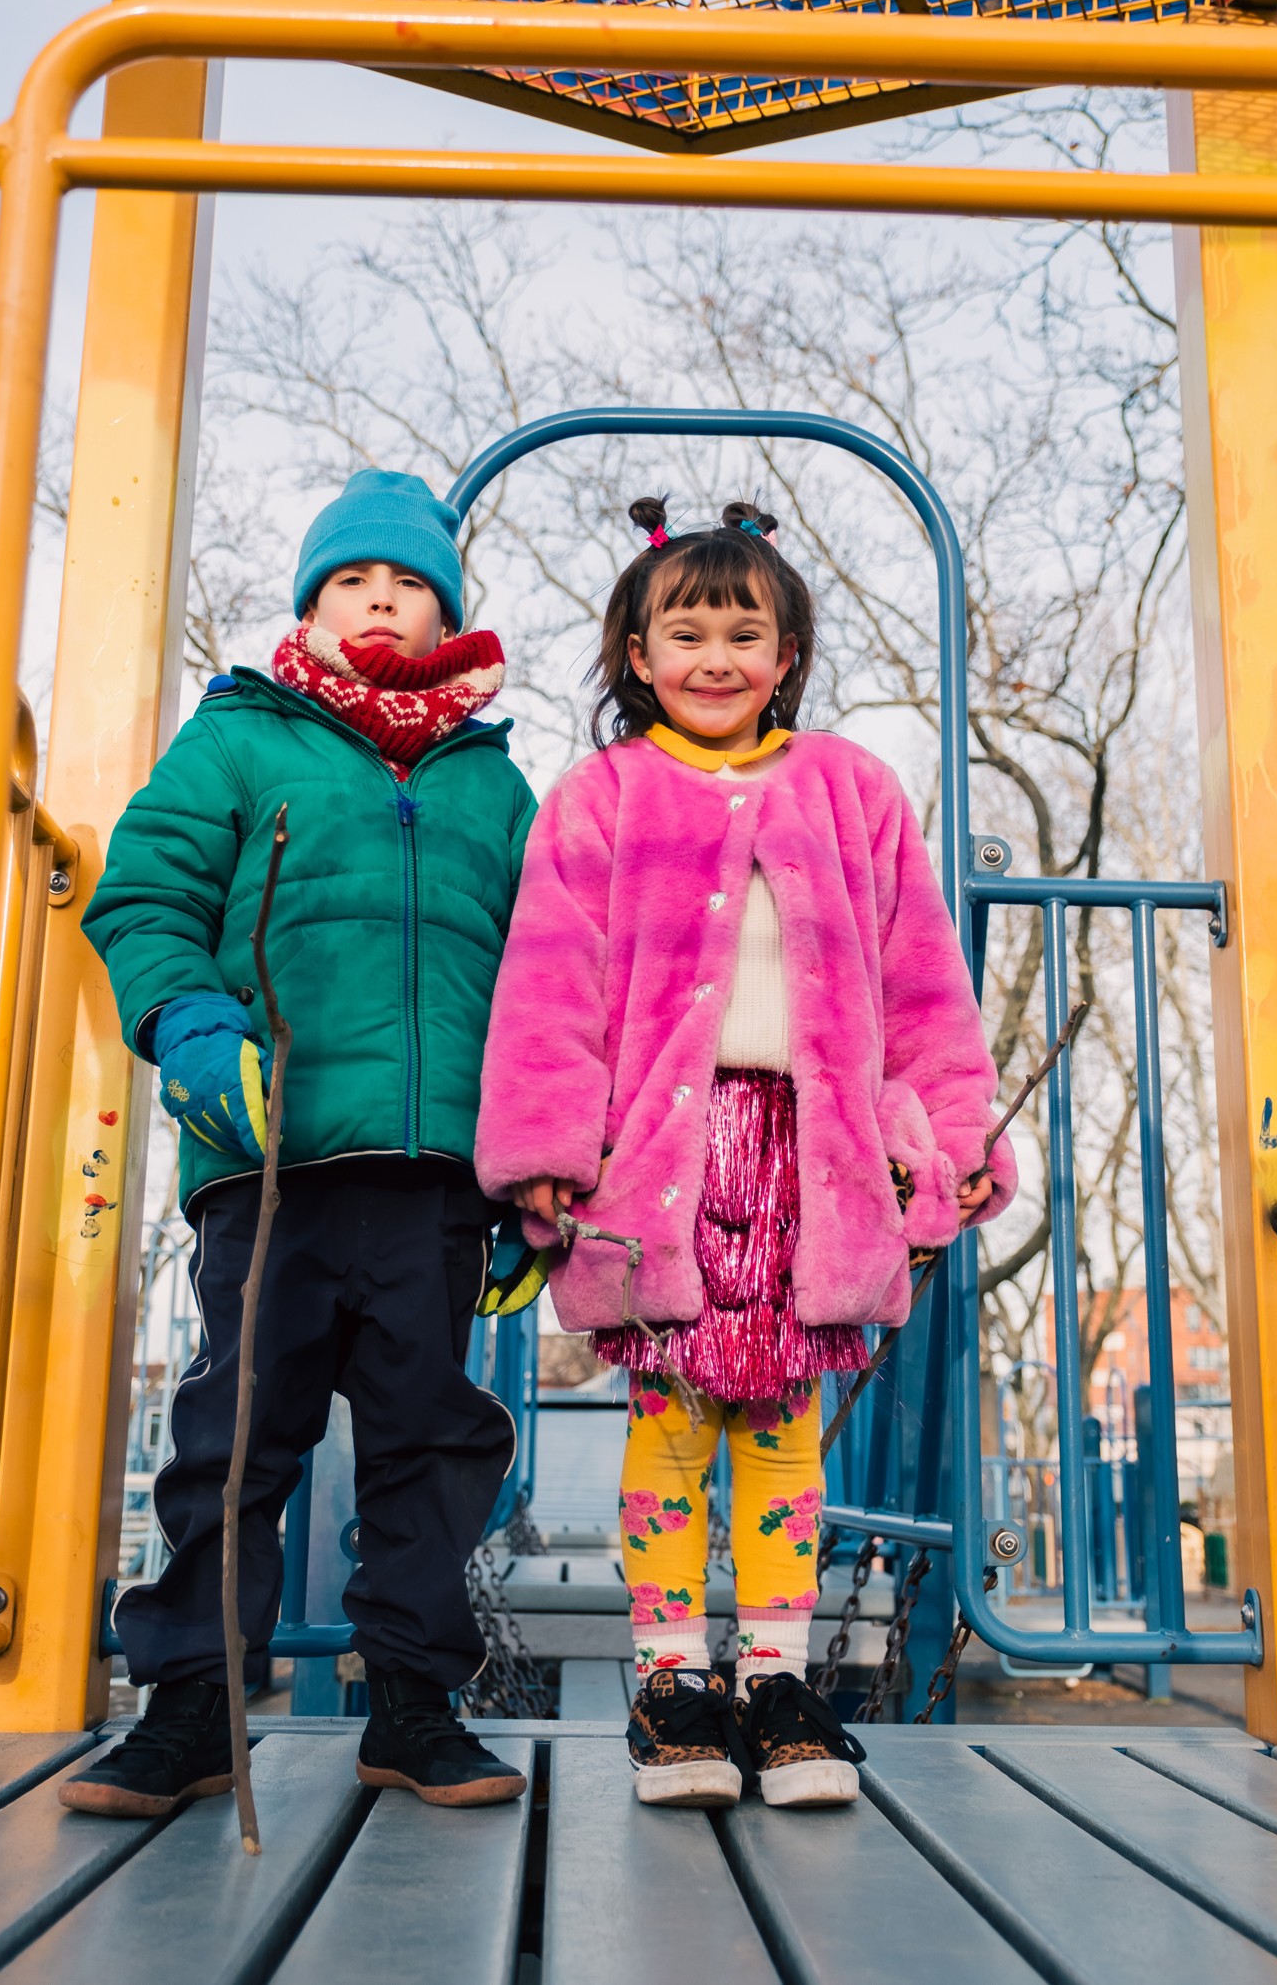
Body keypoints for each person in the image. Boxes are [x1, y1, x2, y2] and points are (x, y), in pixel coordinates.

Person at [476, 495, 1016, 1808]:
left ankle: (775, 1682)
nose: (714, 655)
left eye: (744, 630)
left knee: (781, 1425)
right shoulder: (601, 798)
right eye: (685, 630)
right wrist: (548, 1143)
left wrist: (951, 1133)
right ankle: (672, 1687)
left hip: (811, 1153)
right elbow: (548, 981)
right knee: (668, 1422)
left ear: (786, 655)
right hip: (663, 1159)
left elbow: (921, 984)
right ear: (636, 654)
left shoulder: (850, 793)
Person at [65, 469, 534, 1817]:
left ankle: (411, 1705)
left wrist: (535, 1176)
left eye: (409, 586)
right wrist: (195, 1026)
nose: (381, 603)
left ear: (446, 616)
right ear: (309, 610)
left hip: (435, 1180)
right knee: (236, 1429)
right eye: (352, 583)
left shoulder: (493, 789)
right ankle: (194, 1708)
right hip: (271, 1166)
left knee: (425, 1440)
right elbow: (145, 893)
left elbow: (541, 986)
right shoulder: (240, 741)